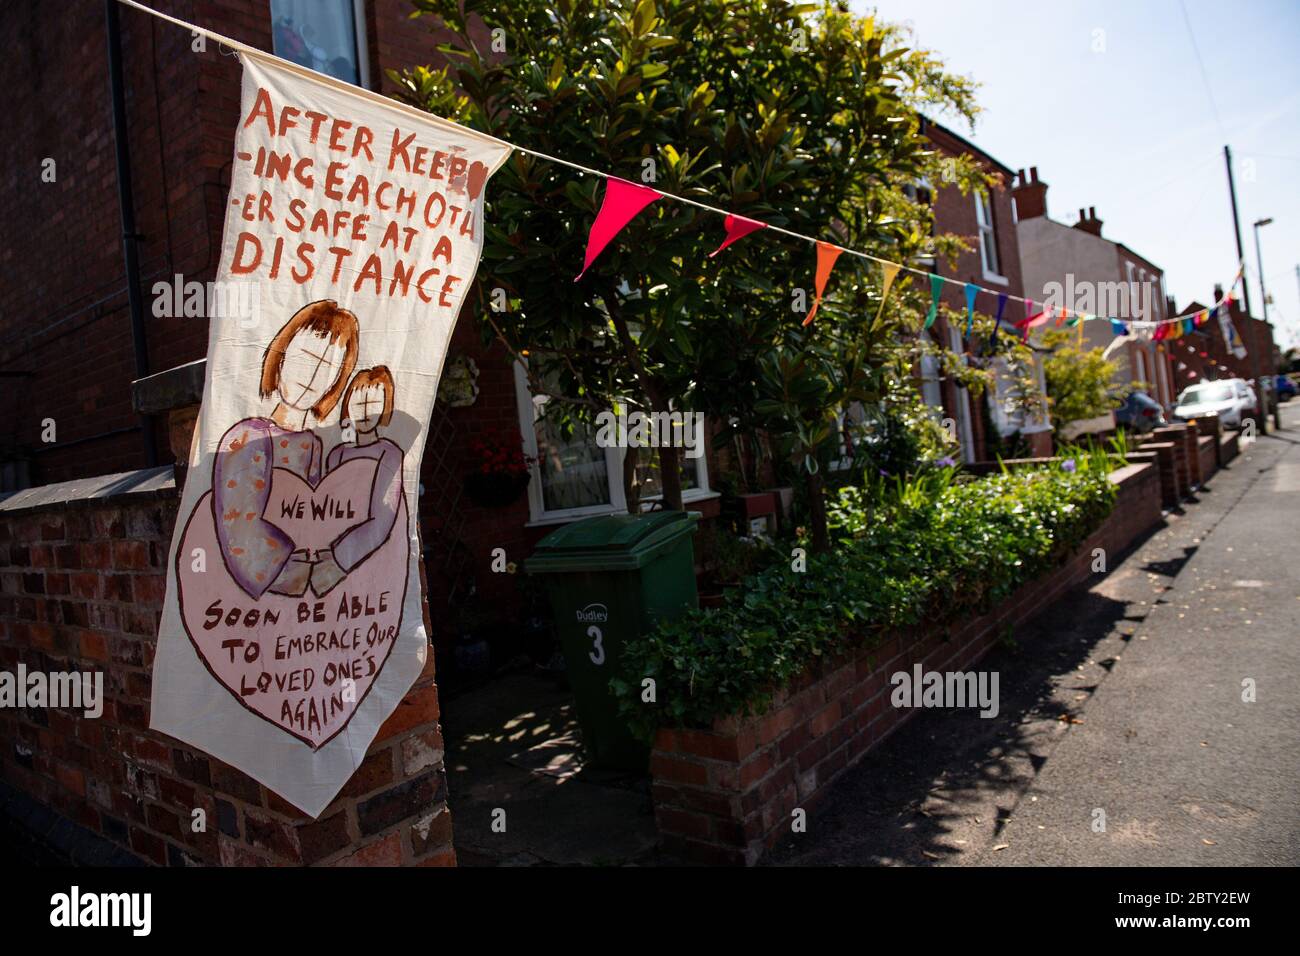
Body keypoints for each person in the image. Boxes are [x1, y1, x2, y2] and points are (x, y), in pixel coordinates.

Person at [211, 300, 359, 599]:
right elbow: (242, 536)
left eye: (327, 368)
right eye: (305, 358)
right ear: (282, 354)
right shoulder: (249, 437)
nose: (311, 377)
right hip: (267, 604)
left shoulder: (314, 445)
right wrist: (308, 576)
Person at [311, 367, 404, 596]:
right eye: (358, 404)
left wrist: (335, 564)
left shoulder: (389, 454)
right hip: (329, 553)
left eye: (373, 404)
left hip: (365, 558)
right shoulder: (337, 454)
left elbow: (382, 518)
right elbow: (327, 508)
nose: (364, 412)